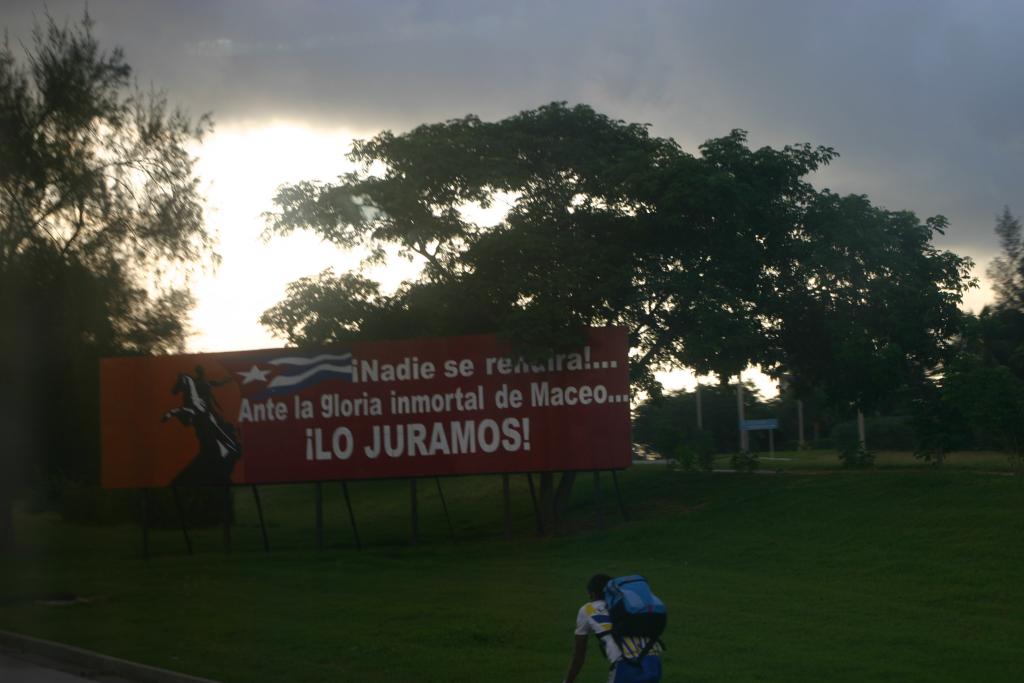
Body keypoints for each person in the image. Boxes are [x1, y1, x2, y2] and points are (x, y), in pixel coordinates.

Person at [563, 574, 662, 683]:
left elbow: (579, 655)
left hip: (625, 665)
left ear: (592, 594)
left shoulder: (587, 609)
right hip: (653, 662)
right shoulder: (627, 604)